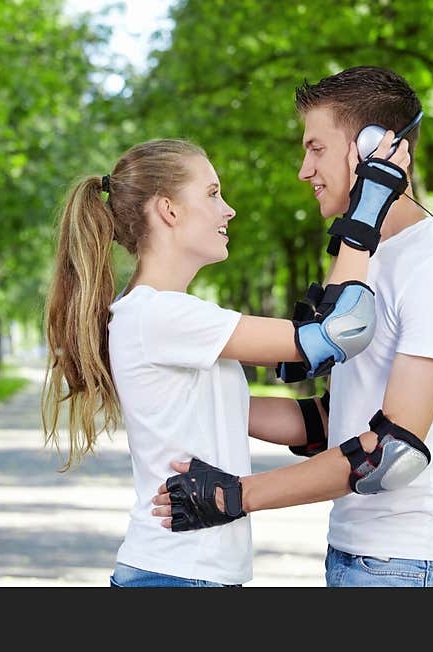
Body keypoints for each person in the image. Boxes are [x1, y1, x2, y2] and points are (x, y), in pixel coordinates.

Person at [153, 66, 433, 588]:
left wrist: (236, 495)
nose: (303, 169)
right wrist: (188, 402)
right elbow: (330, 422)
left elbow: (390, 452)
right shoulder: (368, 264)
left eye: (316, 148)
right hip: (358, 557)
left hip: (412, 565)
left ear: (375, 146)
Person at [41, 131, 410, 586]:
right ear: (168, 209)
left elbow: (254, 407)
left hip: (185, 573)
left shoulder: (159, 315)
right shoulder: (160, 314)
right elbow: (341, 330)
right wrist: (370, 199)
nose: (228, 209)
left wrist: (334, 421)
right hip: (178, 574)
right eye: (213, 194)